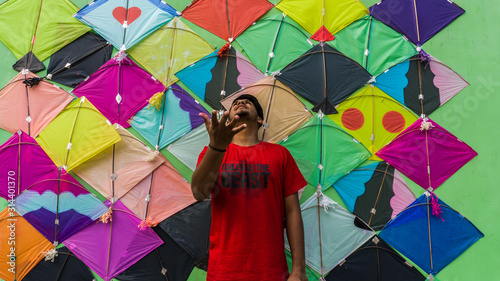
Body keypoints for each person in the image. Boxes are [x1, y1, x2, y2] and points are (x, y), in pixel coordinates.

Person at [191, 94, 308, 281]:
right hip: (223, 271)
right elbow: (198, 193)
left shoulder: (280, 154)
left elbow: (293, 212)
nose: (240, 102)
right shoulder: (211, 153)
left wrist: (299, 270)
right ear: (229, 121)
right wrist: (216, 147)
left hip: (272, 271)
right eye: (235, 103)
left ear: (259, 119)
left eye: (248, 102)